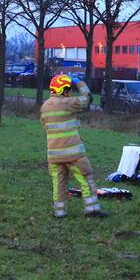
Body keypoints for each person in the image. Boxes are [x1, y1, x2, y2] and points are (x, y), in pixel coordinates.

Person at [39, 74, 106, 219]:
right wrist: (79, 82)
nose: (69, 92)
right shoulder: (69, 103)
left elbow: (45, 126)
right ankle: (92, 209)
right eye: (68, 89)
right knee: (85, 179)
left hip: (53, 154)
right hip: (73, 153)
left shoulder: (44, 107)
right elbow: (88, 98)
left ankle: (60, 212)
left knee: (59, 184)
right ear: (63, 90)